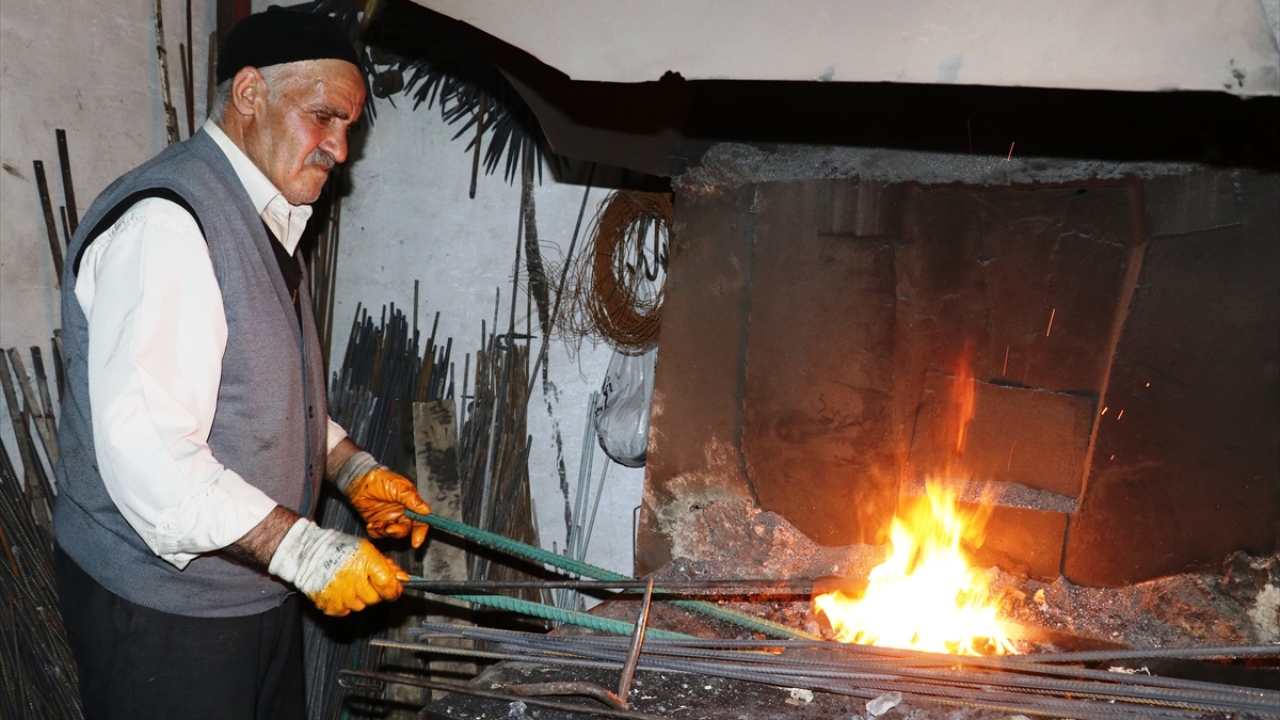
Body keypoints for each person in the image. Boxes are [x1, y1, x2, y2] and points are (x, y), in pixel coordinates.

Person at [52, 9, 431, 719]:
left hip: (256, 588)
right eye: (324, 117)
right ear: (250, 93)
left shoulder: (270, 213)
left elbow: (265, 389)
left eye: (349, 127)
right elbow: (152, 458)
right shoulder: (169, 224)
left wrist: (351, 468)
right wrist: (304, 551)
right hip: (163, 612)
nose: (338, 149)